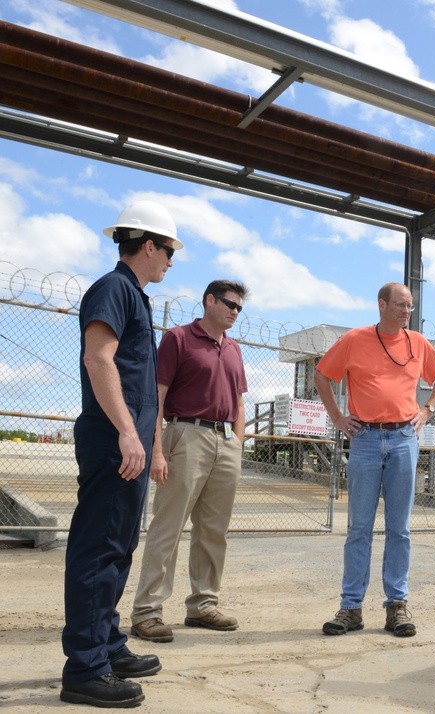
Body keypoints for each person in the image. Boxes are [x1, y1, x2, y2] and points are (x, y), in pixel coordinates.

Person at [61, 201, 183, 708]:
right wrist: (127, 434)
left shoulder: (134, 295)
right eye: (169, 252)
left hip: (127, 442)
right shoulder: (114, 289)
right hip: (113, 442)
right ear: (149, 245)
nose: (171, 263)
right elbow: (98, 357)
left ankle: (106, 644)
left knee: (118, 547)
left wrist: (146, 439)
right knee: (99, 548)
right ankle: (85, 669)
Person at [313, 282, 435, 638]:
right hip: (365, 440)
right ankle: (351, 607)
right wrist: (338, 417)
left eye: (410, 306)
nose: (408, 311)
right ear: (382, 305)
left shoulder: (417, 342)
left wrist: (427, 411)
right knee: (359, 527)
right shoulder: (355, 339)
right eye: (401, 305)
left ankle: (396, 606)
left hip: (404, 437)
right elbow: (322, 375)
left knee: (399, 528)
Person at [130, 280, 249, 643]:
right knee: (169, 525)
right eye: (229, 304)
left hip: (225, 439)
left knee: (214, 529)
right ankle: (147, 611)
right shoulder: (179, 338)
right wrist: (158, 450)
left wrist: (238, 444)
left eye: (240, 308)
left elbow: (240, 401)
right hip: (186, 433)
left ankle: (203, 604)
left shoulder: (233, 349)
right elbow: (158, 395)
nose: (234, 311)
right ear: (209, 300)